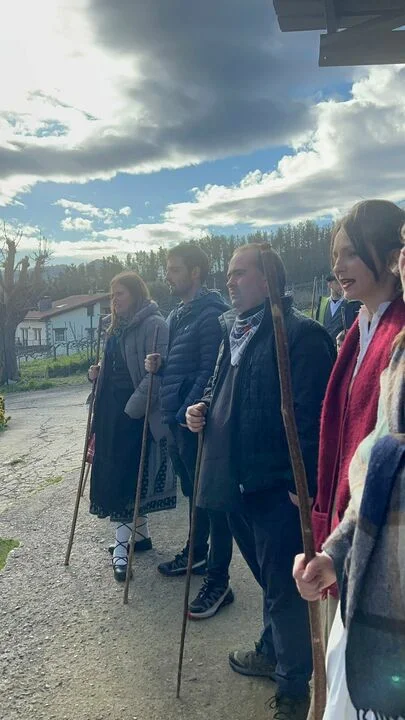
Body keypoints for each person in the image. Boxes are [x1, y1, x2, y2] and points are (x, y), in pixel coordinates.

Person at [186, 244, 335, 719]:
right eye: (228, 274)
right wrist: (201, 409)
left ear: (268, 280)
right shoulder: (234, 329)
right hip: (236, 483)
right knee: (270, 582)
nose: (229, 282)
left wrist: (304, 483)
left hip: (277, 488)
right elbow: (221, 389)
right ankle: (273, 652)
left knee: (286, 590)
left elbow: (315, 417)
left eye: (239, 273)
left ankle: (293, 691)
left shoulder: (301, 335)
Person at [293, 241, 405, 720]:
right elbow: (378, 461)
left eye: (351, 252)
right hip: (371, 551)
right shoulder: (382, 338)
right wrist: (338, 549)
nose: (337, 266)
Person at [311, 199, 405, 635]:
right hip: (345, 515)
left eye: (350, 253)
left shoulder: (397, 334)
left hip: (379, 529)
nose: (338, 266)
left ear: (389, 258)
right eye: (335, 255)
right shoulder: (361, 326)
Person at [145, 243, 234, 620]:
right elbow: (183, 365)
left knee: (212, 500)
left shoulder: (211, 314)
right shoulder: (179, 314)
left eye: (175, 269)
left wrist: (185, 411)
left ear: (195, 272)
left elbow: (209, 371)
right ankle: (197, 554)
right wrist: (162, 364)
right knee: (194, 495)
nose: (168, 276)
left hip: (195, 422)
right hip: (177, 421)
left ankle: (219, 578)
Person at [88, 272, 175, 582]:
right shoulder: (115, 328)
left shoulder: (155, 325)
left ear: (136, 293)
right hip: (109, 411)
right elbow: (115, 365)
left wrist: (131, 411)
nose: (114, 300)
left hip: (133, 413)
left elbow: (157, 375)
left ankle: (122, 551)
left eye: (120, 293)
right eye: (112, 295)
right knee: (114, 472)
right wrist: (96, 374)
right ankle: (140, 535)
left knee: (125, 478)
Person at [315, 273, 361, 345]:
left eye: (343, 282)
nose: (341, 286)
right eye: (338, 282)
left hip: (344, 347)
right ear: (330, 285)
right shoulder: (322, 305)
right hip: (326, 347)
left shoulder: (353, 304)